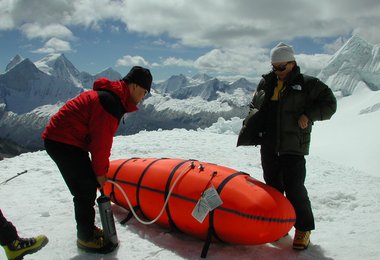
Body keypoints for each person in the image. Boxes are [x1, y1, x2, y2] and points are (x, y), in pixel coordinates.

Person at [42, 66, 153, 253]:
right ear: (134, 86)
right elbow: (101, 144)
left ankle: (87, 230)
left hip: (68, 140)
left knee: (86, 184)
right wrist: (101, 173)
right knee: (84, 187)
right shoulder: (110, 103)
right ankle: (85, 238)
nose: (143, 97)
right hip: (62, 141)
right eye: (144, 92)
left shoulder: (113, 98)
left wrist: (98, 173)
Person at [237, 42, 337, 250]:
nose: (278, 71)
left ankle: (303, 229)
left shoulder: (307, 84)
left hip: (293, 145)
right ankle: (279, 226)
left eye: (282, 67)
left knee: (295, 189)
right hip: (269, 143)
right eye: (275, 67)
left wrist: (309, 115)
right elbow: (256, 108)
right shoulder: (266, 83)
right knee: (273, 188)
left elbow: (330, 104)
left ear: (293, 64)